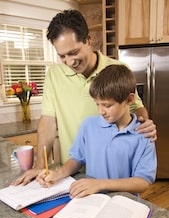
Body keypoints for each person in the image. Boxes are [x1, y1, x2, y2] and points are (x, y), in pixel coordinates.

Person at [12, 9, 157, 186]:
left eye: (73, 53)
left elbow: (136, 108)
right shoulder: (54, 75)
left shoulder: (117, 69)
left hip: (115, 176)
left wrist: (145, 124)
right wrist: (40, 165)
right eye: (62, 56)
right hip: (71, 170)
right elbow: (48, 121)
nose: (69, 62)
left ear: (89, 40)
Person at [37, 64, 157, 197]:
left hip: (124, 203)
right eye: (97, 104)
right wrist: (57, 174)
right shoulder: (89, 125)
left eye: (107, 105)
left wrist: (100, 184)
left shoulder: (144, 134)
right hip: (91, 199)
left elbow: (143, 181)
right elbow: (76, 159)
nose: (101, 111)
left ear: (129, 99)